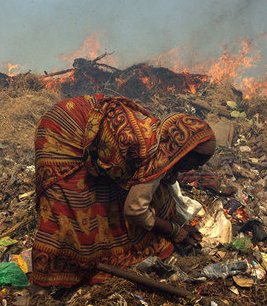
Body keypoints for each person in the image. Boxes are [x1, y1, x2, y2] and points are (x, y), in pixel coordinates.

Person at [31, 95, 216, 288]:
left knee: (111, 194)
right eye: (195, 164)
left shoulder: (161, 135)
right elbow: (135, 210)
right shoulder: (151, 155)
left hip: (82, 114)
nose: (193, 170)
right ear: (185, 151)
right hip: (61, 132)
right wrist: (173, 230)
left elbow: (154, 192)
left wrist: (179, 223)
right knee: (74, 209)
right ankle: (50, 278)